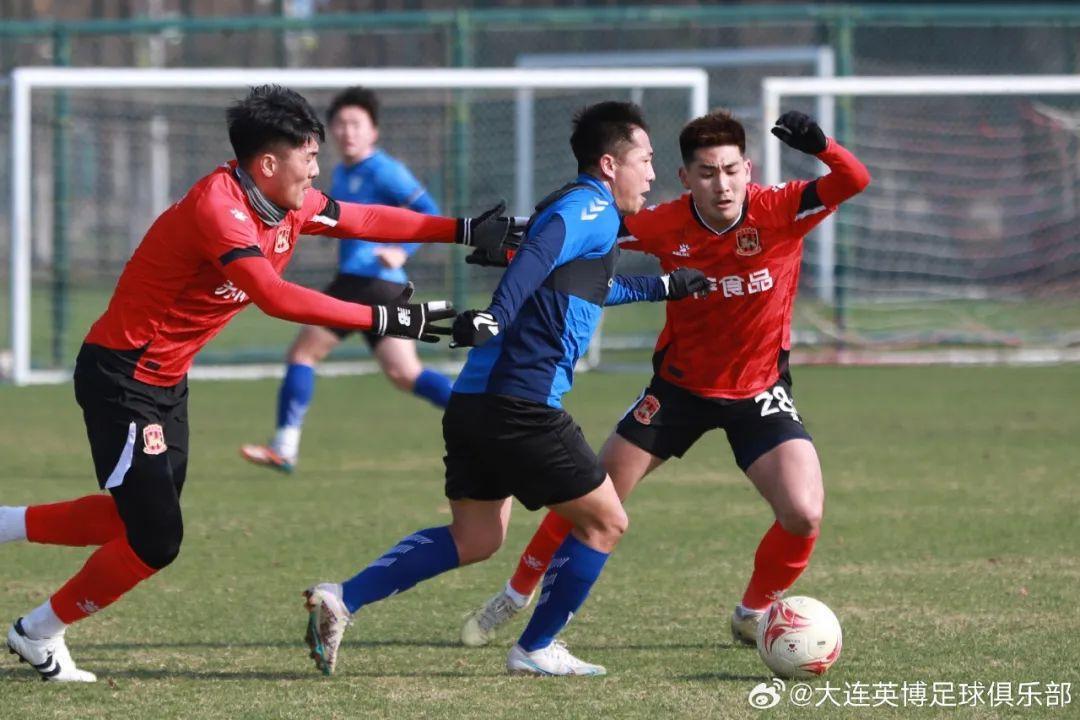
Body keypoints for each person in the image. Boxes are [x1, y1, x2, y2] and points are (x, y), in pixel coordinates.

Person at [0, 84, 516, 682]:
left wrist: (462, 229)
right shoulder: (219, 208)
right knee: (156, 539)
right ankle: (38, 631)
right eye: (309, 157)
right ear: (268, 164)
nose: (317, 170)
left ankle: (7, 524)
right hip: (123, 376)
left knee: (130, 520)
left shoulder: (284, 199)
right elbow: (273, 296)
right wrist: (388, 317)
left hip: (165, 380)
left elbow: (364, 218)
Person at [301, 101, 712, 678]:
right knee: (606, 521)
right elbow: (539, 255)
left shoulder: (578, 211)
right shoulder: (590, 207)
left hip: (474, 403)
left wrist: (665, 287)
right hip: (522, 405)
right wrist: (495, 315)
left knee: (475, 537)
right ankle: (536, 647)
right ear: (609, 164)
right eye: (644, 159)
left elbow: (587, 287)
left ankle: (343, 597)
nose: (651, 173)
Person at [458, 109, 871, 649]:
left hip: (759, 391)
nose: (721, 185)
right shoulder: (662, 223)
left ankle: (751, 613)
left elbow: (854, 180)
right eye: (707, 173)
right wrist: (510, 247)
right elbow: (573, 234)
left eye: (731, 170)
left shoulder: (782, 208)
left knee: (804, 513)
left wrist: (822, 146)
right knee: (588, 493)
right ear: (685, 178)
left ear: (748, 169)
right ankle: (516, 593)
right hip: (677, 390)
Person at [241, 87, 452, 473]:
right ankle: (482, 417)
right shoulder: (340, 171)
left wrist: (402, 251)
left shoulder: (384, 169)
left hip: (367, 282)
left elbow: (429, 212)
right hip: (379, 286)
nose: (346, 132)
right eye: (340, 124)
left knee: (303, 354)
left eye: (356, 124)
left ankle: (285, 446)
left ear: (374, 131)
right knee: (405, 374)